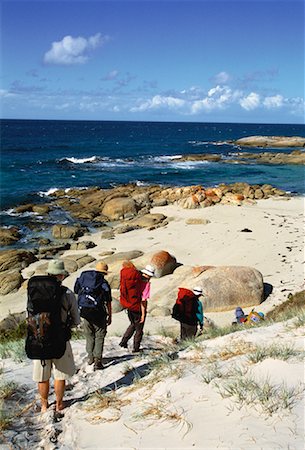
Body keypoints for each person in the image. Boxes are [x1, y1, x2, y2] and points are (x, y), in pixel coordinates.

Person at [31, 260, 80, 413]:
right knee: (60, 375)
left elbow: (30, 315)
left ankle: (44, 405)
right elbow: (76, 319)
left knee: (42, 376)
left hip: (40, 338)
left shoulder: (34, 291)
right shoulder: (67, 293)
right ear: (61, 276)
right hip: (60, 339)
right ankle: (59, 404)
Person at [74, 262, 112, 370]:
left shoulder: (84, 279)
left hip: (85, 312)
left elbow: (76, 290)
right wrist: (110, 315)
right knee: (99, 336)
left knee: (89, 335)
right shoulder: (103, 283)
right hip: (99, 313)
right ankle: (97, 361)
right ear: (104, 273)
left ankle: (90, 357)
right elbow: (108, 301)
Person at [119, 264, 154, 353]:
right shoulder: (146, 284)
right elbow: (143, 300)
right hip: (138, 308)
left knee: (133, 325)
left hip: (129, 305)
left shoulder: (135, 281)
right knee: (139, 329)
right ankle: (136, 348)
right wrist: (143, 313)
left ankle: (123, 342)